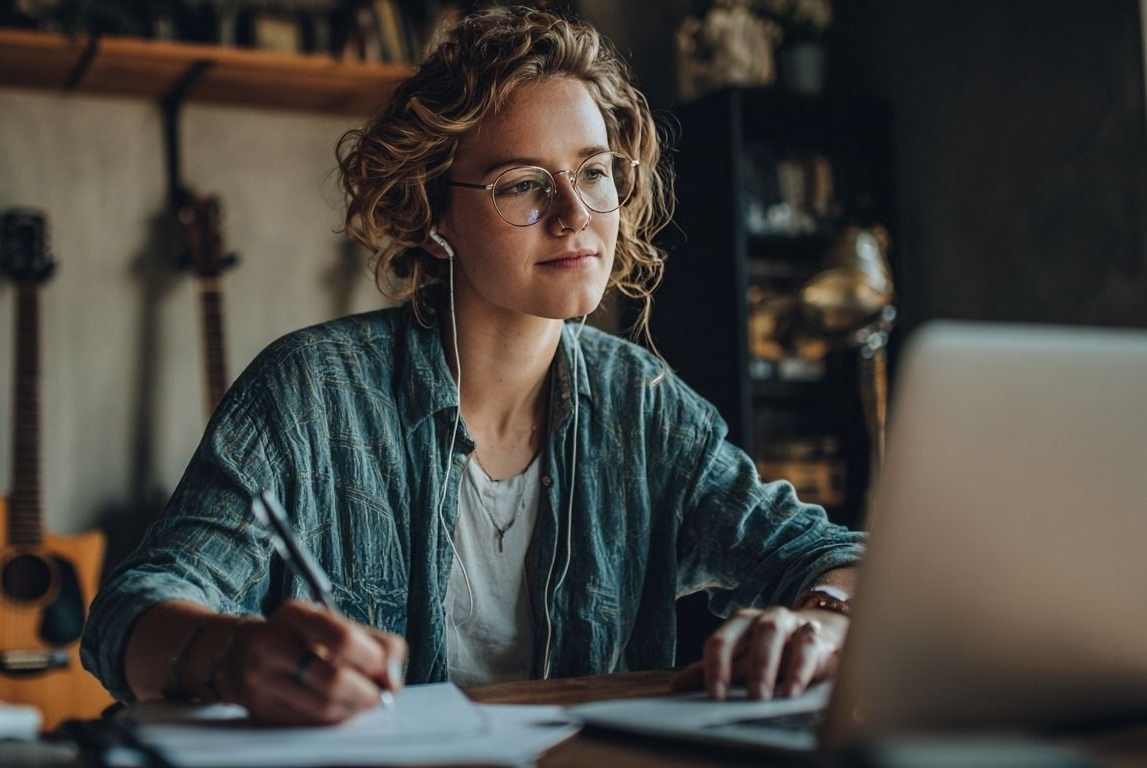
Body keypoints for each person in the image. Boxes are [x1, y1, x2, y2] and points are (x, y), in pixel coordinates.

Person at [81, 5, 864, 726]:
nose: (574, 214)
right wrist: (234, 657)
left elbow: (837, 559)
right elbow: (130, 616)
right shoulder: (310, 394)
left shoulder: (648, 407)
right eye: (522, 184)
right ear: (431, 215)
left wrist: (821, 618)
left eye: (594, 172)